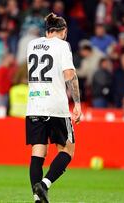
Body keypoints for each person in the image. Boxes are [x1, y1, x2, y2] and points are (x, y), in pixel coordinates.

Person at [26, 13, 81, 203]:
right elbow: (69, 75)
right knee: (67, 149)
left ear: (47, 30)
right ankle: (45, 184)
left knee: (38, 152)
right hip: (55, 105)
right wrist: (78, 103)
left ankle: (37, 198)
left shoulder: (31, 44)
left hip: (34, 105)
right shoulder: (62, 45)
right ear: (63, 31)